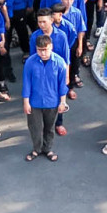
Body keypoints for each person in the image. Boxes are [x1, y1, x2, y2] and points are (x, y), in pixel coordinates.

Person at [23, 34, 70, 162]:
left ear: (51, 47)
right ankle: (36, 149)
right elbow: (27, 83)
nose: (43, 53)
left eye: (45, 49)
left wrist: (63, 102)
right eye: (40, 50)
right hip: (34, 102)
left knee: (49, 128)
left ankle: (47, 148)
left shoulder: (59, 62)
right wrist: (26, 102)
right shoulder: (30, 62)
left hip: (52, 102)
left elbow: (62, 85)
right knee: (35, 128)